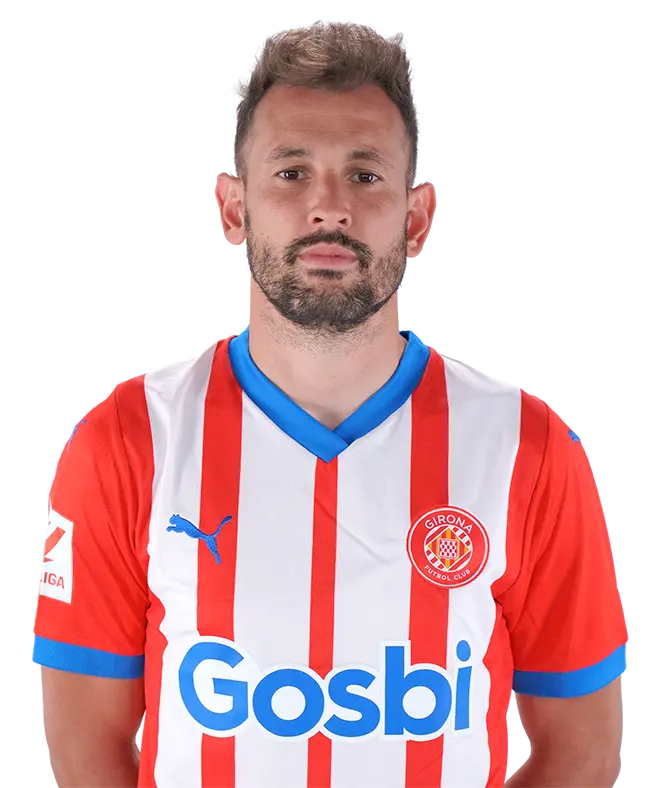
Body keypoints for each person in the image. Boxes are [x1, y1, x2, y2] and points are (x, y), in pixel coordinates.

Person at [33, 19, 626, 788]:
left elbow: (584, 752)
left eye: (365, 174)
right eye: (291, 172)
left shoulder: (527, 449)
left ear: (416, 219)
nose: (329, 208)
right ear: (234, 209)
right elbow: (86, 753)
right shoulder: (127, 440)